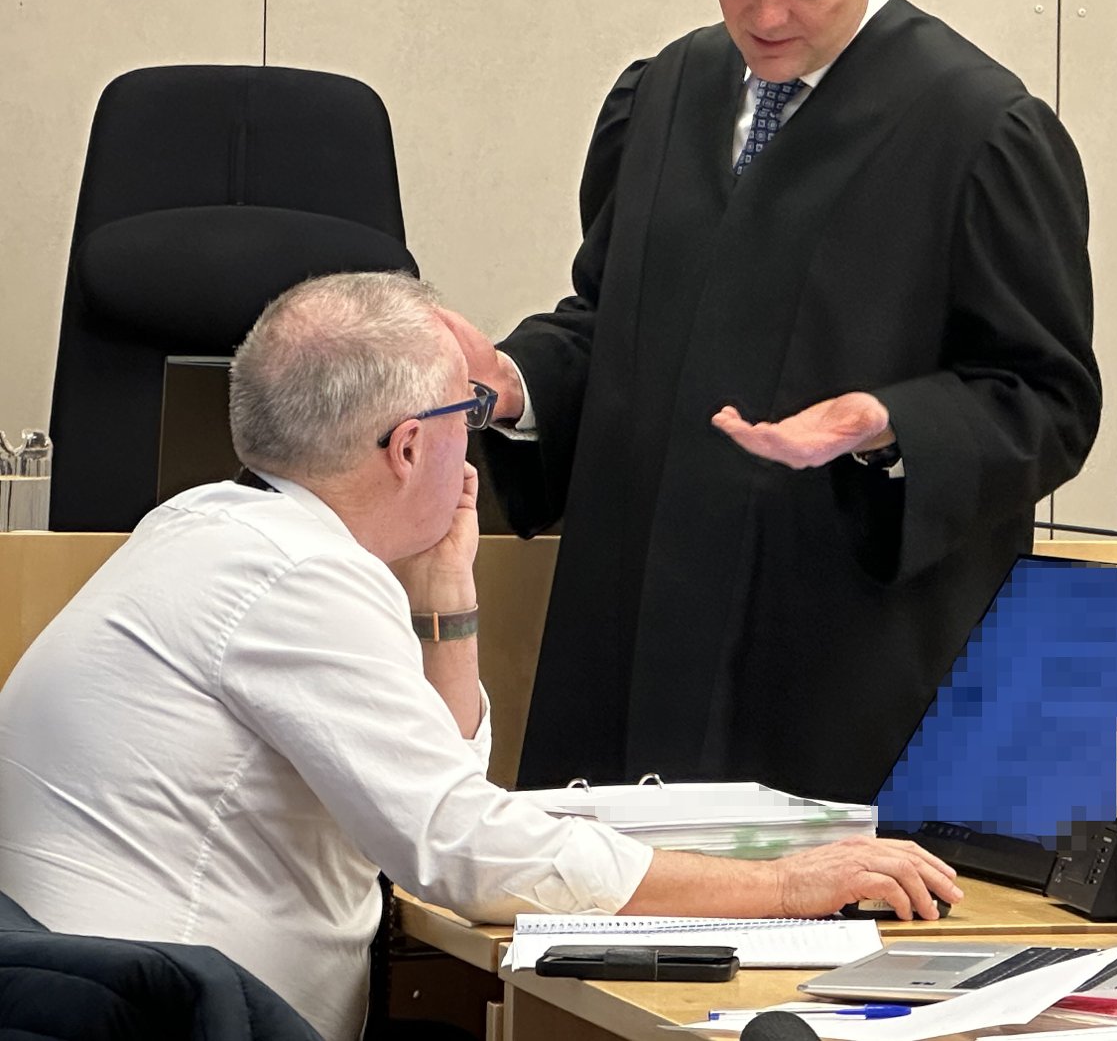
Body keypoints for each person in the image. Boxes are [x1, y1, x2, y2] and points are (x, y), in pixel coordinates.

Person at [0, 273, 958, 1041]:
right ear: (409, 447)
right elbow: (462, 851)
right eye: (468, 412)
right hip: (188, 1016)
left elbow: (440, 786)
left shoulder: (211, 526)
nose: (475, 450)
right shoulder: (299, 578)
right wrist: (785, 887)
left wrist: (448, 600)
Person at [450, 0, 1101, 802]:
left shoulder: (978, 132)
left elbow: (1046, 400)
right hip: (635, 637)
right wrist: (514, 382)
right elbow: (608, 325)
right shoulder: (664, 94)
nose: (764, 14)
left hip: (830, 662)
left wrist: (890, 421)